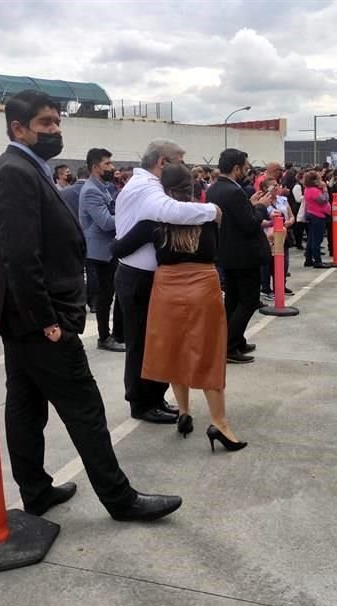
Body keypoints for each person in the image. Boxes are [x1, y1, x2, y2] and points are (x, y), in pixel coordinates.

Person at [0, 89, 182, 522]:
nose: (56, 130)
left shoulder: (25, 168)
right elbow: (19, 256)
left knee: (26, 406)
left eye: (57, 122)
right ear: (18, 128)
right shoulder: (15, 172)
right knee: (85, 409)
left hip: (23, 317)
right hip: (38, 319)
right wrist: (47, 321)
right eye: (46, 124)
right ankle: (120, 499)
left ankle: (36, 490)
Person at [111, 164, 246, 452]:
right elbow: (217, 250)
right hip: (203, 287)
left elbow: (118, 249)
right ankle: (220, 423)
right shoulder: (209, 215)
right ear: (195, 186)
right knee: (208, 353)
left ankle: (184, 412)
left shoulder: (152, 222)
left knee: (174, 350)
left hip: (167, 290)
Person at [115, 139, 219, 424]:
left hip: (149, 276)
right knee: (142, 343)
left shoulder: (146, 185)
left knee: (158, 341)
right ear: (162, 162)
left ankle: (153, 396)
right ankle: (141, 402)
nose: (183, 167)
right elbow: (170, 210)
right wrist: (212, 211)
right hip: (138, 276)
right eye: (180, 161)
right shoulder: (147, 188)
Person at [209, 148, 272, 364]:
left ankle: (235, 340)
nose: (247, 172)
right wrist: (261, 207)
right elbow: (248, 223)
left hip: (228, 252)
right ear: (236, 168)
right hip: (244, 253)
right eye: (245, 168)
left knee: (233, 301)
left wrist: (251, 204)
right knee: (248, 301)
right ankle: (230, 345)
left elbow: (237, 216)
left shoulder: (215, 188)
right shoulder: (233, 191)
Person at [79, 148, 124, 352]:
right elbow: (106, 222)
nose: (112, 167)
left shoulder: (103, 187)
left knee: (112, 294)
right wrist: (129, 216)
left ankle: (115, 333)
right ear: (95, 167)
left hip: (108, 249)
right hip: (100, 252)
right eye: (107, 164)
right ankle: (104, 337)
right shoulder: (91, 191)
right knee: (105, 296)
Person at [302, 172, 329, 267]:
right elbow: (323, 200)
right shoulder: (313, 190)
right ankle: (317, 261)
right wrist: (325, 189)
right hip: (317, 215)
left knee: (311, 239)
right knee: (317, 239)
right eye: (318, 179)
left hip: (311, 214)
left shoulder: (307, 189)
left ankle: (308, 259)